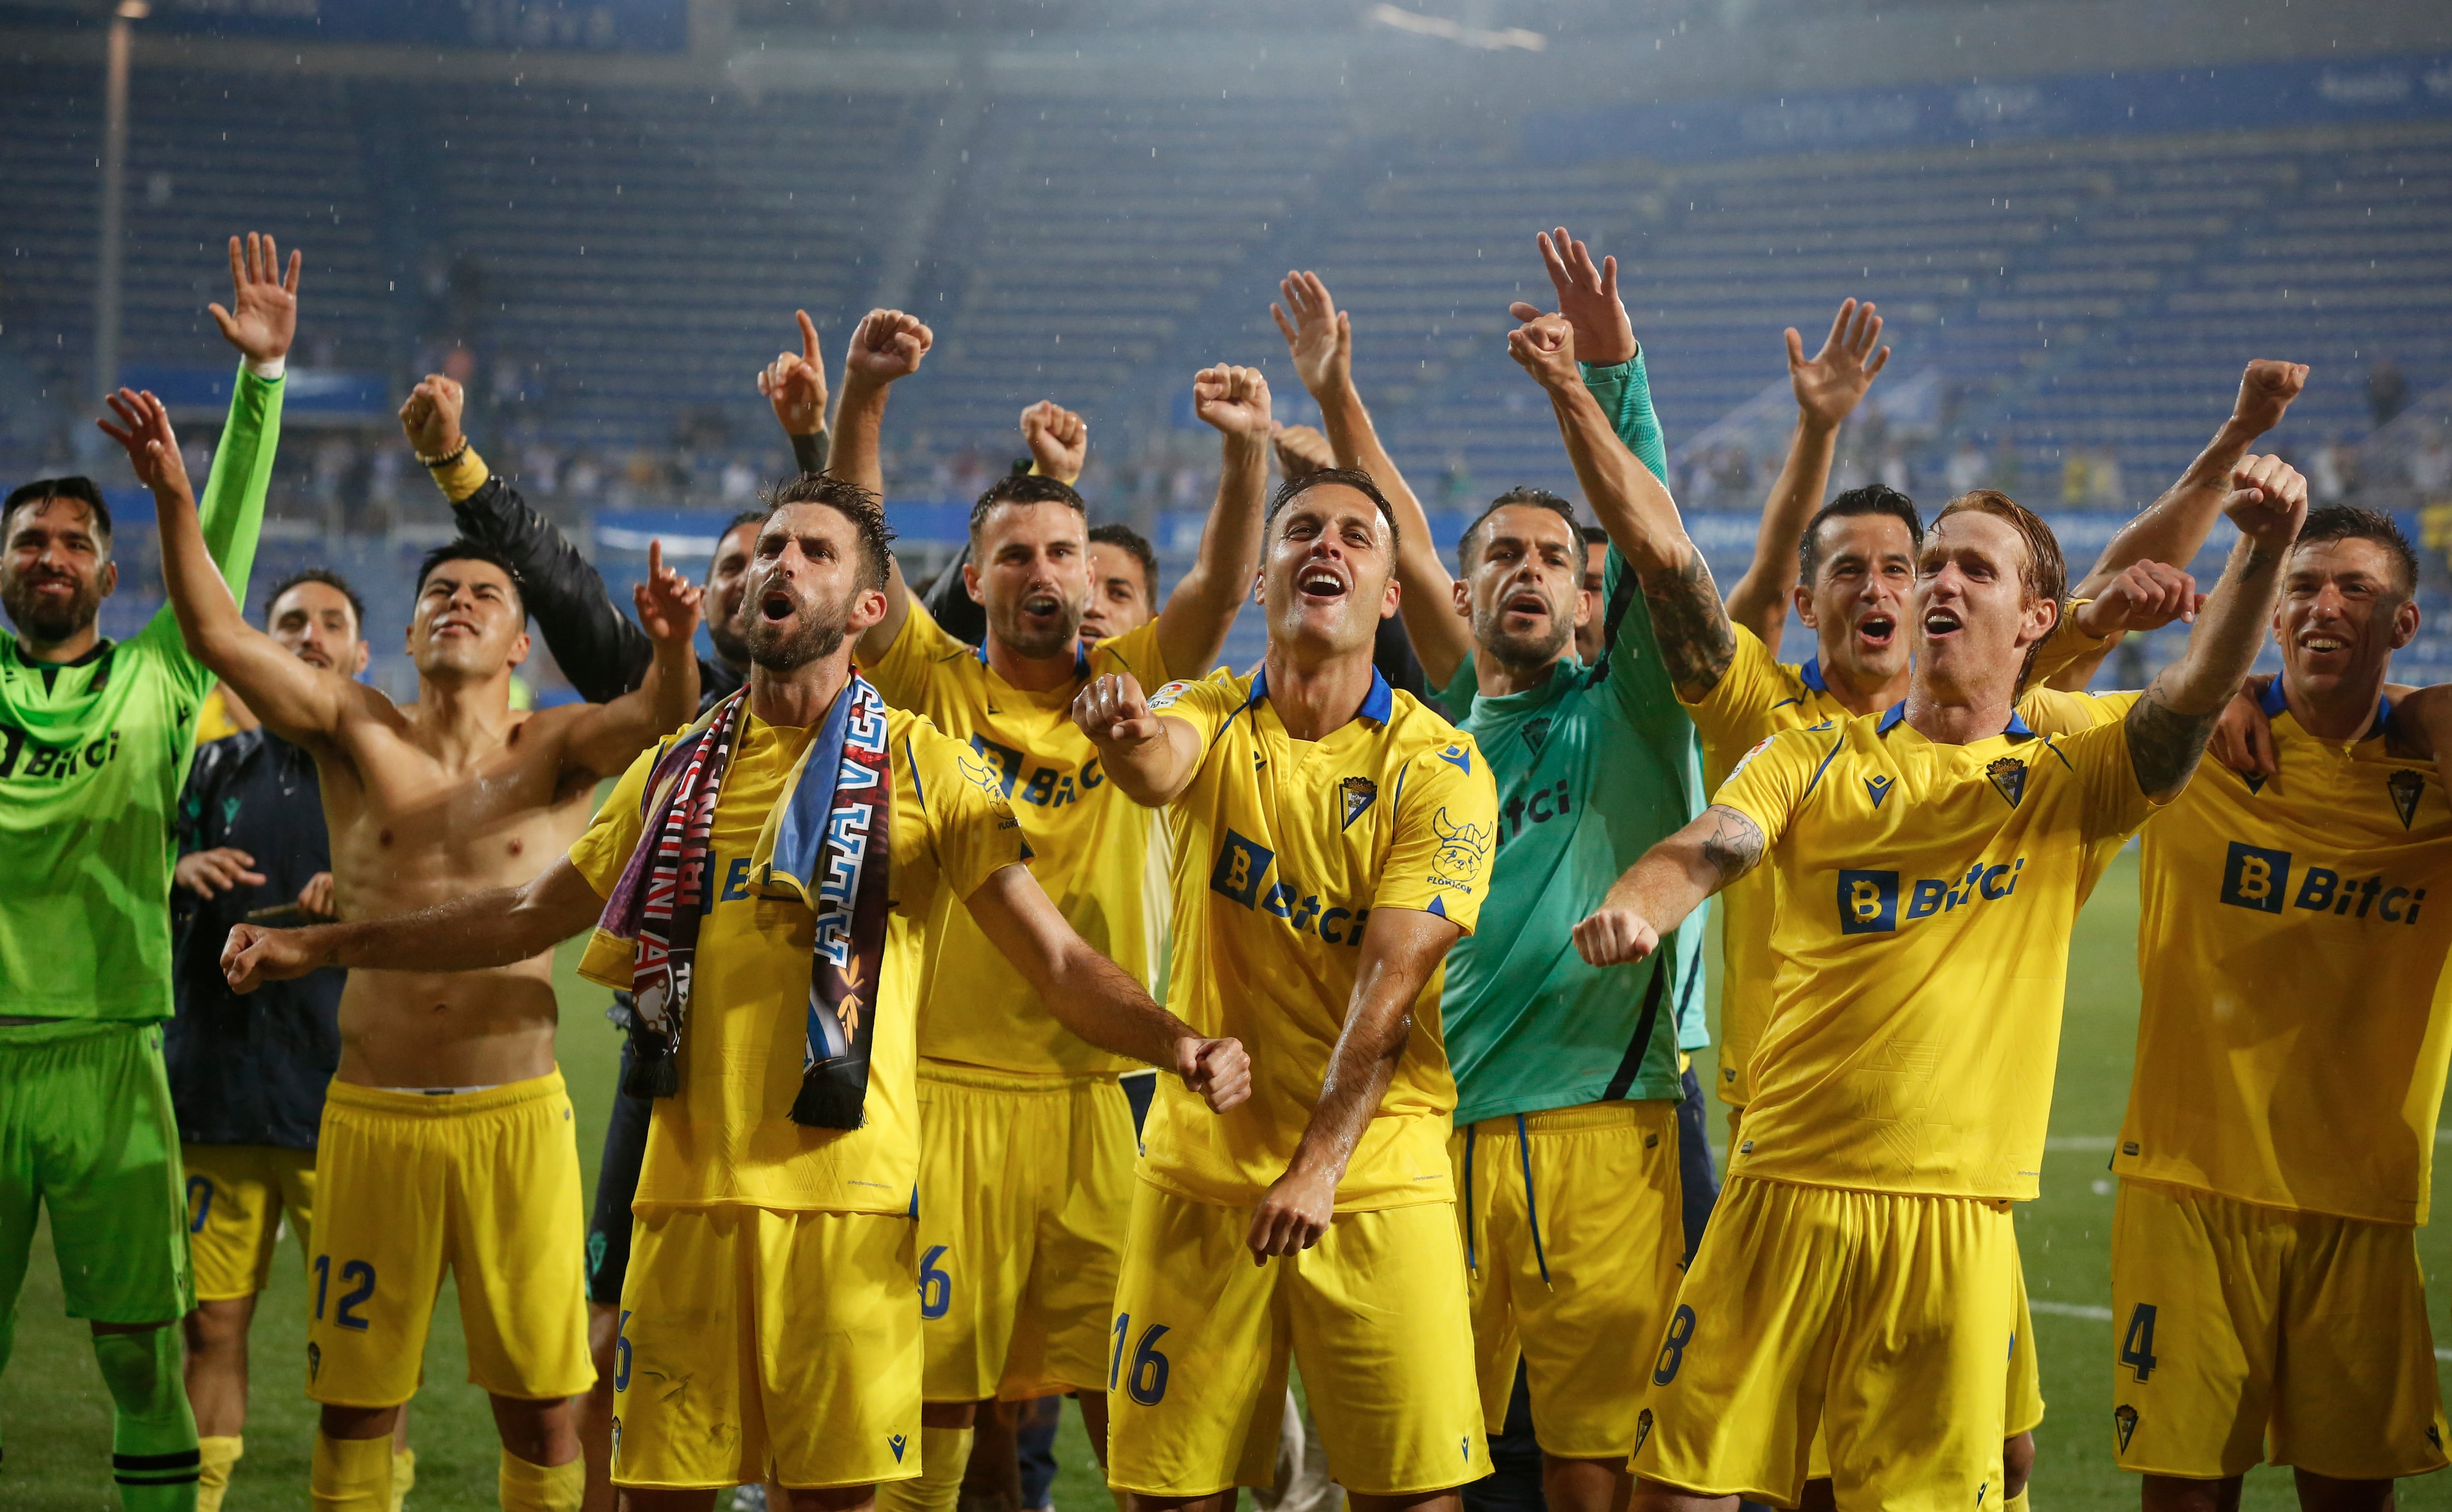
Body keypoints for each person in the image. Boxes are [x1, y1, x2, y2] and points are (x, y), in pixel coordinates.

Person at [219, 472, 1253, 1512]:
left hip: (844, 1210)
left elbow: (1059, 961)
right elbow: (529, 913)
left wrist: (1180, 1045)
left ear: (866, 609)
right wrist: (328, 945)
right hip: (686, 1206)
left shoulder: (924, 765)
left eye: (814, 553)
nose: (782, 565)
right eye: (772, 550)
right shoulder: (675, 768)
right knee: (658, 1498)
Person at [1571, 434, 2307, 1503]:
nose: (1938, 583)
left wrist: (2263, 552)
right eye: (1933, 564)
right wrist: (1638, 908)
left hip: (1956, 1216)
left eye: (1974, 568)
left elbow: (2189, 702)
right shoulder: (1811, 750)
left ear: (2037, 619)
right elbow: (1714, 842)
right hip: (1779, 1191)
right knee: (1677, 1490)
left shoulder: (2070, 770)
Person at [100, 374, 701, 1512]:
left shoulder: (556, 745)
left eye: (483, 590)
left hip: (516, 1119)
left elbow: (662, 717)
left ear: (524, 636)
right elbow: (218, 632)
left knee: (540, 1403)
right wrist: (179, 493)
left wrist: (670, 647)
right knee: (359, 1402)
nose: (460, 602)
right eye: (440, 593)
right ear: (410, 630)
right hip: (370, 1115)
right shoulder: (353, 727)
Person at [1265, 251, 1704, 1512]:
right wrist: (1337, 397)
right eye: (1501, 555)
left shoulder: (1627, 708)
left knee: (1592, 1463)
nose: (1527, 569)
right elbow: (1396, 521)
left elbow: (1653, 529)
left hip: (1598, 1127)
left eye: (1552, 557)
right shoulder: (1445, 724)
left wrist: (1608, 377)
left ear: (1584, 595)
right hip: (1423, 1132)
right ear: (1456, 593)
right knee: (1408, 1455)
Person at [824, 307, 1272, 1511]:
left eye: (1060, 553)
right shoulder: (933, 684)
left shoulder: (1134, 687)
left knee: (1136, 1416)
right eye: (1013, 556)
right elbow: (856, 553)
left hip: (1110, 1095)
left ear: (1091, 575)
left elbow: (1229, 582)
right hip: (946, 1095)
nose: (1040, 575)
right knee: (935, 1431)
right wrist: (863, 398)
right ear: (971, 579)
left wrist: (1244, 450)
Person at [1072, 463, 1502, 1512]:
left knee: (1409, 1497)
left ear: (1390, 596)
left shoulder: (1439, 766)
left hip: (1376, 1172)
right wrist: (1123, 736)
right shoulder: (1205, 712)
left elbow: (1392, 990)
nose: (1327, 547)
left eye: (1358, 536)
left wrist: (1317, 1166)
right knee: (1169, 1494)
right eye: (1302, 529)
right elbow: (1156, 766)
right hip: (1199, 1173)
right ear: (1264, 575)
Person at [415, 352, 778, 1512]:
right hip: (663, 1058)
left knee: (807, 1330)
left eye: (770, 558)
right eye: (729, 567)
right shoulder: (678, 693)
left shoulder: (880, 712)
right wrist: (459, 468)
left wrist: (829, 445)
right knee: (609, 1323)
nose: (745, 580)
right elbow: (559, 580)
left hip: (822, 1062)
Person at [0, 231, 294, 1512]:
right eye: (28, 540)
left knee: (138, 1353)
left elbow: (212, 542)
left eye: (73, 540)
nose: (50, 555)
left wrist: (259, 387)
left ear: (112, 574)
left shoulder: (160, 675)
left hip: (115, 1054)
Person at [2109, 505, 2452, 1504]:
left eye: (2355, 590)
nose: (2323, 607)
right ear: (2269, 613)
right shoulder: (2188, 750)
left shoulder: (2432, 771)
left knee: (2350, 1497)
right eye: (2302, 588)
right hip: (2188, 1186)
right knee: (2183, 1494)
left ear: (2403, 625)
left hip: (2361, 1199)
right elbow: (2046, 665)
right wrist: (2210, 688)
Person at [167, 567, 420, 1512]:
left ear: (361, 652)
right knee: (211, 1327)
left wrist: (366, 903)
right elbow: (139, 883)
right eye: (288, 623)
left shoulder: (388, 771)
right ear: (259, 649)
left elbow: (452, 910)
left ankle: (378, 1495)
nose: (309, 635)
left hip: (343, 1101)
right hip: (218, 1092)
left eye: (331, 623)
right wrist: (175, 867)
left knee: (369, 1344)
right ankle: (198, 1495)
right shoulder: (209, 769)